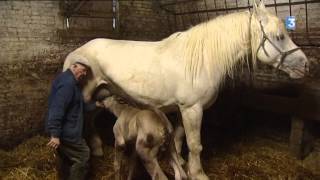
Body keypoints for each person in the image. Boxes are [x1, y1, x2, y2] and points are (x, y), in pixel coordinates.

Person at [45, 59, 101, 180]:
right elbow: (57, 109)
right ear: (74, 67)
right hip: (67, 132)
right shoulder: (68, 85)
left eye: (86, 71)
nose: (85, 74)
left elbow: (78, 105)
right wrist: (55, 134)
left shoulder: (71, 82)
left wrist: (95, 105)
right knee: (83, 155)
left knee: (67, 158)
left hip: (67, 130)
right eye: (83, 70)